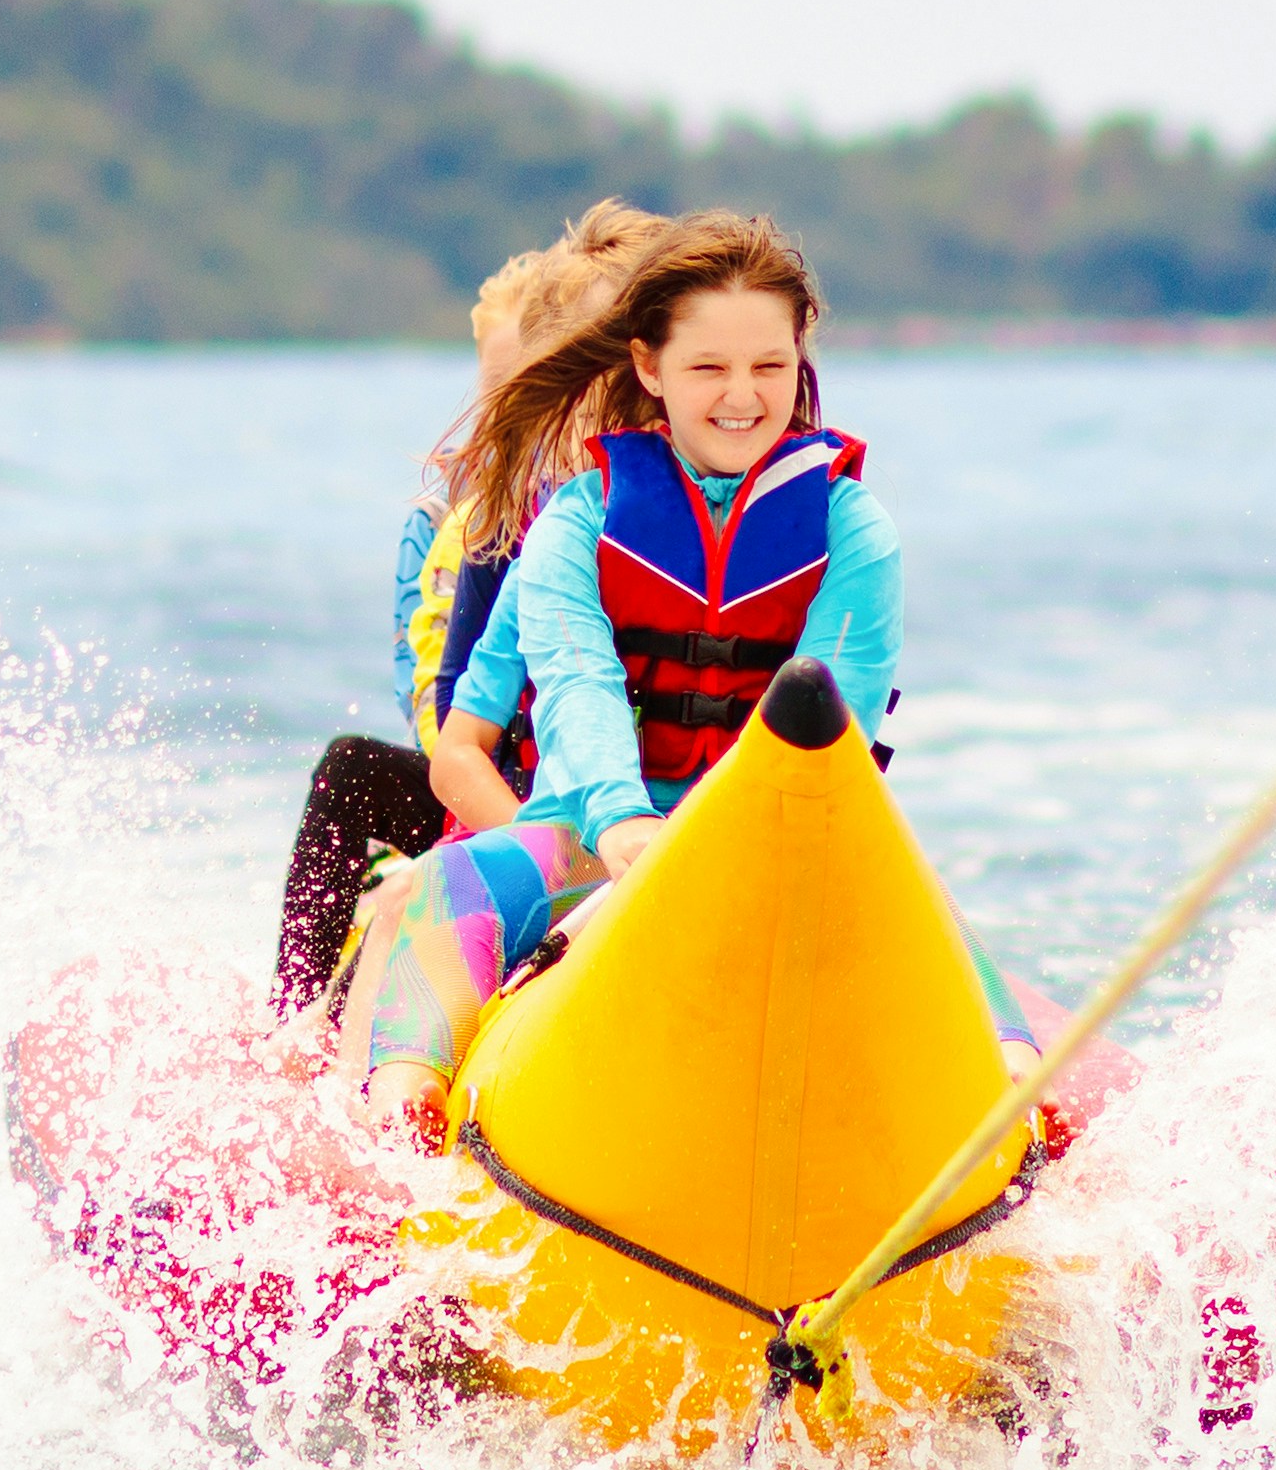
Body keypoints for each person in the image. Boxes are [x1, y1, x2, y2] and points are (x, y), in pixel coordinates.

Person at [325, 209, 1018, 1140]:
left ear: (801, 356)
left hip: (781, 838)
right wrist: (625, 826)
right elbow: (577, 685)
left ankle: (1018, 1090)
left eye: (769, 366)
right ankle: (404, 1111)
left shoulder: (856, 531)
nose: (743, 395)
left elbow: (836, 711)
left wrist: (723, 845)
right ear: (649, 368)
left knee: (929, 901)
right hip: (596, 847)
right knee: (454, 883)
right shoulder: (577, 522)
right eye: (709, 369)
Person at [265, 203, 660, 1015]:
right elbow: (451, 725)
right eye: (505, 395)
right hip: (512, 807)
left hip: (650, 823)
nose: (514, 421)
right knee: (352, 771)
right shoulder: (479, 528)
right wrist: (532, 855)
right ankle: (299, 1016)